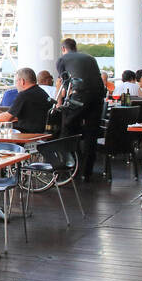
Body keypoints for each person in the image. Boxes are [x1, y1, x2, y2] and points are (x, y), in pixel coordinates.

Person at [55, 38, 107, 181]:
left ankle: (65, 168)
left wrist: (59, 103)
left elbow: (65, 83)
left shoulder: (62, 59)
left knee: (66, 127)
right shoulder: (90, 58)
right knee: (92, 133)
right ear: (75, 47)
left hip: (81, 95)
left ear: (63, 49)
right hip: (98, 96)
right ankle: (86, 172)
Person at [0, 67, 52, 133]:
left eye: (16, 81)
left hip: (27, 134)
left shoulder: (24, 95)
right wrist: (1, 113)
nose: (16, 85)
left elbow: (6, 118)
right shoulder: (41, 92)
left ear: (22, 81)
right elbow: (22, 115)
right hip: (41, 133)